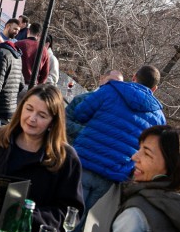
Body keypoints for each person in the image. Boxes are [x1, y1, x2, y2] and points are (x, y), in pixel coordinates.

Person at [0, 83, 83, 229]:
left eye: (42, 115)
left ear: (53, 122)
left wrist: (27, 216)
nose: (32, 118)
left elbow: (69, 212)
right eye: (29, 109)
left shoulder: (66, 158)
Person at [69, 64, 166, 214]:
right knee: (83, 218)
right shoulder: (159, 119)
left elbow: (80, 113)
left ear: (134, 77)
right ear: (154, 89)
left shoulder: (111, 90)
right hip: (112, 174)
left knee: (65, 209)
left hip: (83, 160)